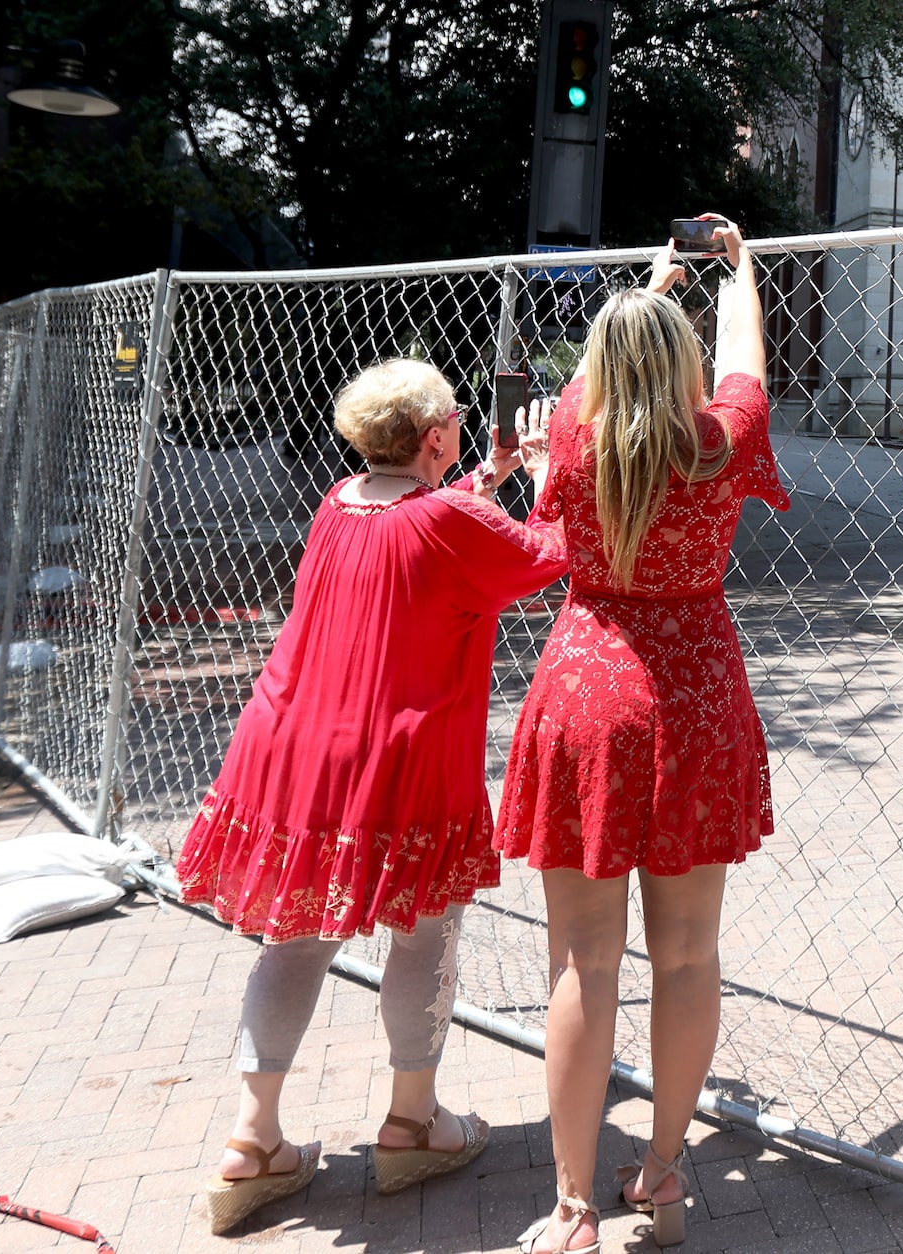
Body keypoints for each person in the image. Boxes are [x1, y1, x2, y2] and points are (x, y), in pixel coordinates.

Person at [176, 358, 569, 1236]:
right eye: (457, 425)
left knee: (296, 931)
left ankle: (253, 1142)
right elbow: (547, 556)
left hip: (291, 740)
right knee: (424, 926)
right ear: (433, 437)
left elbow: (417, 520)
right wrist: (541, 475)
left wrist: (485, 481)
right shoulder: (450, 516)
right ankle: (412, 1122)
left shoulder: (340, 499)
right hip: (401, 748)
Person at [498, 228, 787, 1252]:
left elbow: (591, 377)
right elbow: (748, 359)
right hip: (694, 690)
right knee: (689, 954)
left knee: (582, 962)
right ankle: (662, 1177)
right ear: (684, 365)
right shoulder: (722, 434)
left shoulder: (572, 429)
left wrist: (648, 290)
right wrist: (737, 271)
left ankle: (572, 1208)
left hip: (587, 686)